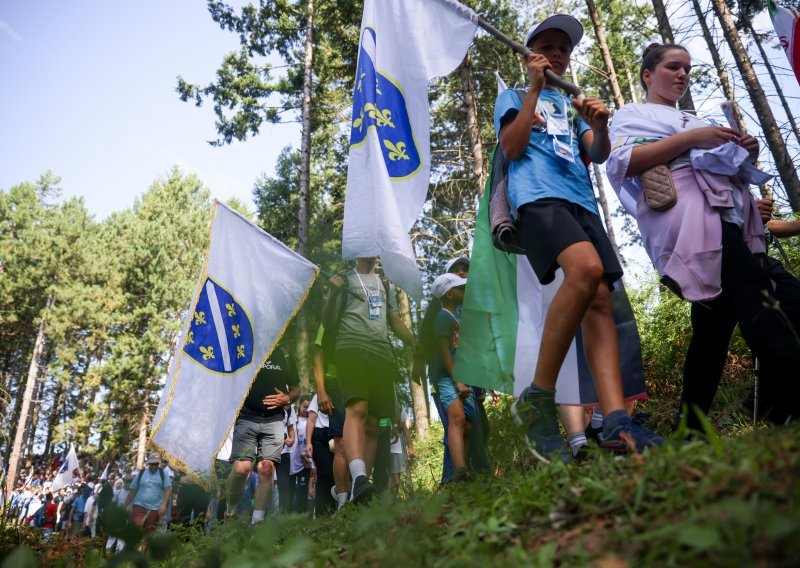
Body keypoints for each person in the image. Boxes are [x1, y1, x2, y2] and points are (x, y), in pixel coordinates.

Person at [495, 14, 663, 462]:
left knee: (601, 300)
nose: (556, 53)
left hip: (582, 204)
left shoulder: (571, 107)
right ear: (530, 55)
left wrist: (602, 125)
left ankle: (615, 421)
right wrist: (531, 91)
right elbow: (511, 150)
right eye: (547, 45)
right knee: (586, 270)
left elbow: (597, 153)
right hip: (537, 200)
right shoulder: (512, 96)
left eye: (563, 48)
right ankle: (538, 397)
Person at [606, 43, 800, 429]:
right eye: (673, 67)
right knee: (756, 291)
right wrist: (693, 140)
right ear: (648, 75)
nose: (682, 75)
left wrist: (744, 148)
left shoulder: (696, 119)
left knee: (714, 329)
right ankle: (792, 395)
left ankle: (689, 430)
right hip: (690, 220)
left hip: (731, 217)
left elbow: (727, 168)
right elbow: (624, 162)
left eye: (688, 69)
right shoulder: (633, 114)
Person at [323, 257, 417, 503]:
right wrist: (333, 294)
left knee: (375, 422)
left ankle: (358, 488)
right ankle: (361, 478)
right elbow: (328, 322)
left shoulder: (385, 284)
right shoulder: (343, 279)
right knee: (358, 408)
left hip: (382, 355)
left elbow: (395, 322)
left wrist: (416, 343)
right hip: (351, 349)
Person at [226, 340, 300, 523]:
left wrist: (288, 398)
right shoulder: (246, 347)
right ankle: (230, 510)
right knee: (241, 469)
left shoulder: (286, 356)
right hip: (247, 416)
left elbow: (297, 388)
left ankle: (257, 523)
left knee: (266, 469)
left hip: (274, 419)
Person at [429, 273, 474, 480]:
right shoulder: (443, 318)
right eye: (460, 289)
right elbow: (443, 350)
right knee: (457, 418)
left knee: (468, 425)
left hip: (463, 375)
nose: (464, 291)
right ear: (448, 294)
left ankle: (461, 470)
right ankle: (460, 470)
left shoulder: (458, 315)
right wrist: (456, 379)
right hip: (448, 377)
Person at [124, 453, 172, 533]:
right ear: (148, 463)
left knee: (149, 531)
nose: (154, 466)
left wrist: (163, 505)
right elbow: (133, 490)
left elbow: (167, 490)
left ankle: (144, 545)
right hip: (139, 504)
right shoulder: (142, 473)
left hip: (155, 508)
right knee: (136, 529)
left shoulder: (163, 474)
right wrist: (125, 505)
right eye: (152, 464)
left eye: (156, 464)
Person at [306, 392, 336, 515]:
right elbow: (311, 420)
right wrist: (308, 442)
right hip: (320, 437)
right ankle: (321, 514)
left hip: (337, 435)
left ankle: (334, 511)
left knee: (336, 475)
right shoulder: (318, 395)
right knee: (325, 473)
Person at [290, 395, 313, 514]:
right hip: (293, 460)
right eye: (305, 407)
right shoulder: (293, 419)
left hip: (307, 462)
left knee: (303, 493)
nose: (307, 410)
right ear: (299, 405)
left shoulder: (312, 420)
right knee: (290, 492)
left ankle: (303, 520)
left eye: (309, 407)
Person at [388, 409, 414, 496]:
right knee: (388, 480)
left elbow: (405, 428)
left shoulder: (398, 407)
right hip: (382, 447)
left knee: (396, 482)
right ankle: (384, 504)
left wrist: (410, 446)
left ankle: (393, 504)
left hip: (397, 448)